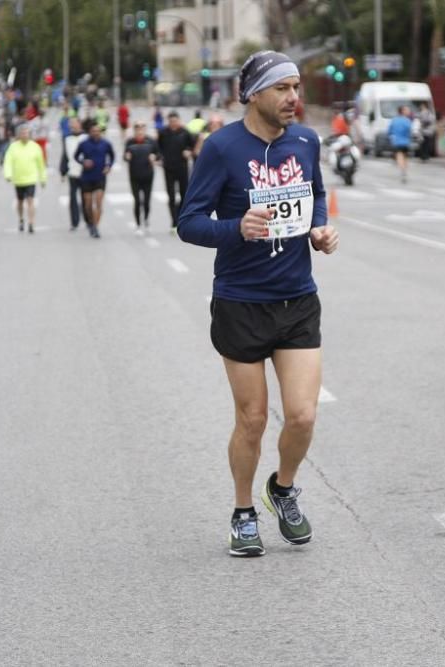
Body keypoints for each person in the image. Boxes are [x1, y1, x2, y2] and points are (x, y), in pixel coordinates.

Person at [177, 50, 339, 558]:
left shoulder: (306, 140)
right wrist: (236, 228)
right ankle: (243, 511)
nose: (294, 98)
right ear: (254, 94)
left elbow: (314, 192)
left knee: (303, 415)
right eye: (282, 89)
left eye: (297, 87)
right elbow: (189, 222)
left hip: (296, 300)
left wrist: (318, 228)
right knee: (252, 418)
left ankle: (283, 489)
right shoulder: (221, 148)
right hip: (241, 303)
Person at [3, 123, 47, 234]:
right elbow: (8, 161)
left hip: (31, 178)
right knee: (20, 201)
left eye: (26, 133)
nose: (24, 135)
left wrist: (43, 178)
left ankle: (31, 222)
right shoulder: (13, 147)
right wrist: (8, 174)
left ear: (30, 135)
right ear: (19, 135)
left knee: (30, 201)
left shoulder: (35, 147)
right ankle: (21, 219)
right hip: (18, 179)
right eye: (22, 133)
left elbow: (41, 164)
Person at [74, 120, 115, 238]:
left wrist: (109, 166)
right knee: (87, 204)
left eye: (98, 131)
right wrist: (83, 162)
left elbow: (112, 156)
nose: (96, 133)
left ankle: (96, 227)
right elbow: (76, 156)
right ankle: (91, 223)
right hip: (86, 177)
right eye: (93, 131)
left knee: (98, 203)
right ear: (89, 132)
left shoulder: (106, 144)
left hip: (100, 177)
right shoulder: (84, 144)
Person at [157, 110, 195, 233]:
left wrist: (189, 151)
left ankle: (180, 217)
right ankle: (173, 221)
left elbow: (193, 146)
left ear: (179, 121)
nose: (173, 123)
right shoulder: (163, 133)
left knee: (184, 195)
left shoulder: (185, 132)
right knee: (171, 196)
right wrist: (159, 158)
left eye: (175, 121)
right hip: (168, 168)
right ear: (168, 122)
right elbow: (158, 148)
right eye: (171, 121)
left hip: (182, 168)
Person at [124, 121, 159, 235]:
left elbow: (158, 154)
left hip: (148, 175)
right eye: (137, 128)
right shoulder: (130, 142)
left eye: (142, 128)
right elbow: (125, 156)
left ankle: (146, 221)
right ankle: (138, 224)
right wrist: (127, 156)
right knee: (137, 201)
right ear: (134, 130)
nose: (140, 131)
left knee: (147, 201)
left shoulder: (151, 141)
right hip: (134, 175)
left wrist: (155, 157)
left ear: (144, 129)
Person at [59, 117, 87, 231]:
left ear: (79, 124)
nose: (72, 126)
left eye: (74, 123)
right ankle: (74, 222)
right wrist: (63, 171)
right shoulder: (67, 138)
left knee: (85, 198)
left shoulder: (85, 137)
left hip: (85, 172)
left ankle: (88, 220)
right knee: (73, 198)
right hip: (72, 172)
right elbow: (65, 155)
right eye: (70, 124)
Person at [387, 105, 412, 183]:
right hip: (406, 142)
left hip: (397, 142)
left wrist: (390, 136)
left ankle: (402, 171)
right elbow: (410, 131)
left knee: (399, 156)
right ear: (402, 111)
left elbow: (389, 131)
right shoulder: (407, 121)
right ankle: (404, 170)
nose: (408, 111)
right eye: (406, 110)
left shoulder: (394, 120)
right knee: (405, 157)